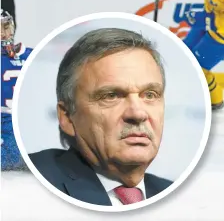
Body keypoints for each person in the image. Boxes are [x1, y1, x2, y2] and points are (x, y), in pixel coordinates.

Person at [29, 28, 172, 206]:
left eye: (150, 95)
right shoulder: (27, 184)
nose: (138, 113)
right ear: (67, 117)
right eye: (111, 96)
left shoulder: (178, 197)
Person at [1, 10, 32, 171]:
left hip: (16, 121)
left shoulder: (31, 55)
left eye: (5, 27)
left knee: (14, 155)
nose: (2, 33)